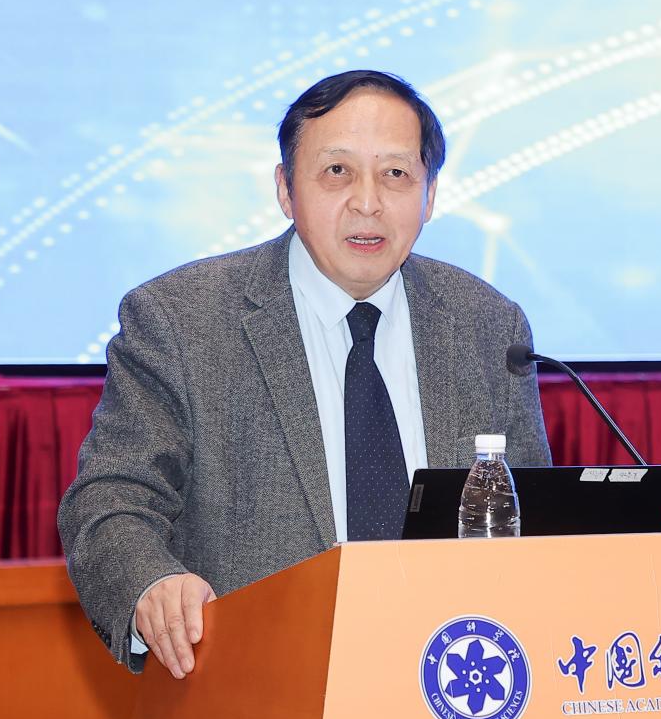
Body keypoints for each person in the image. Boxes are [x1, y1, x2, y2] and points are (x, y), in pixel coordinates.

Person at [57, 70, 551, 678]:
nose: (367, 202)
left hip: (458, 690)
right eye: (337, 171)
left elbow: (534, 521)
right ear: (286, 190)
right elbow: (110, 500)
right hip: (255, 692)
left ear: (429, 195)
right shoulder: (182, 320)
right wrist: (151, 583)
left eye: (396, 174)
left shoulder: (487, 325)